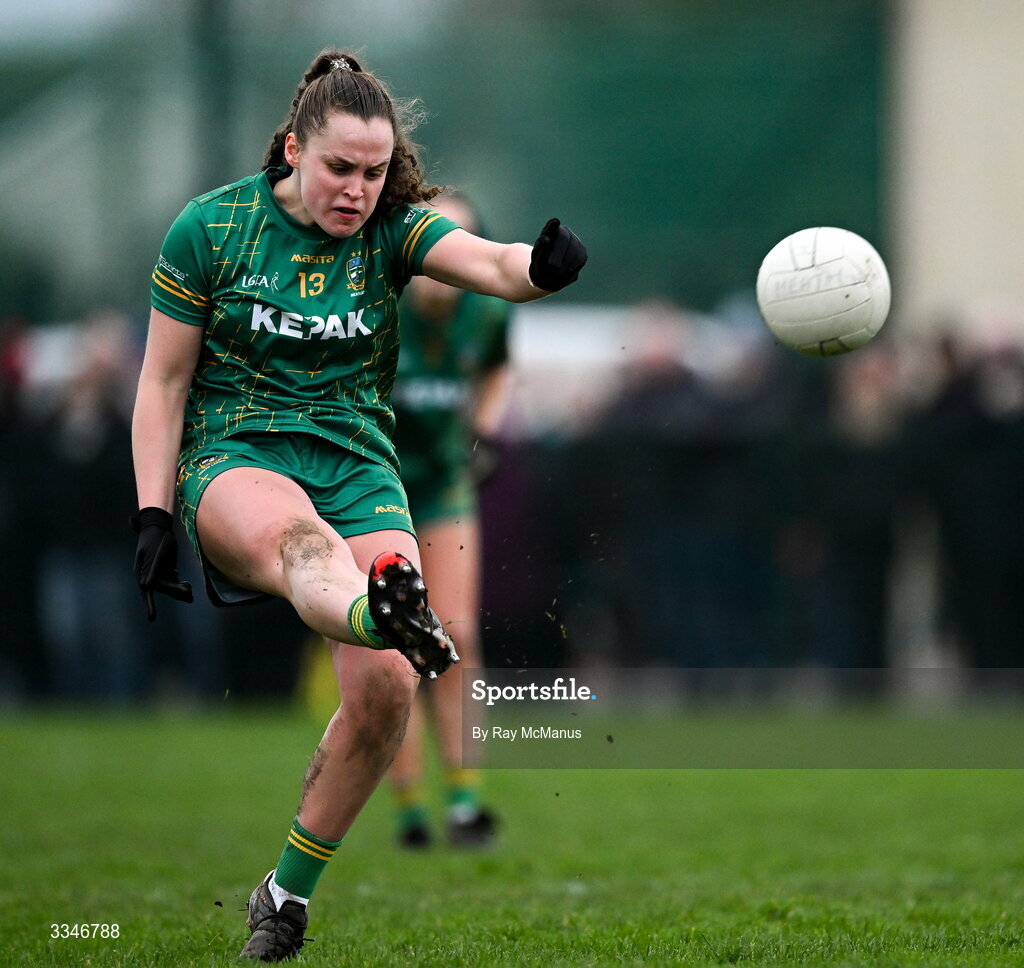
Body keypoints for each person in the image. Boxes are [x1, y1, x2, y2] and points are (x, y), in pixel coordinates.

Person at [130, 48, 586, 963]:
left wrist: (541, 266)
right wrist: (150, 513)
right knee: (305, 546)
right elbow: (162, 381)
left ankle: (285, 895)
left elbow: (492, 266)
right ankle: (378, 610)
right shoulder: (210, 230)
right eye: (340, 167)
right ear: (293, 149)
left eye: (375, 173)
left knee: (385, 688)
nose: (357, 190)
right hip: (238, 453)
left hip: (358, 461)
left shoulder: (393, 232)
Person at [386, 193, 511, 850]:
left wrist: (485, 429)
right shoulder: (377, 304)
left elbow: (498, 369)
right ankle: (409, 806)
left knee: (456, 635)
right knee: (390, 646)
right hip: (370, 491)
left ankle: (464, 800)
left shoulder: (487, 312)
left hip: (441, 486)